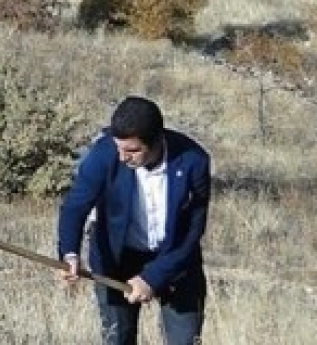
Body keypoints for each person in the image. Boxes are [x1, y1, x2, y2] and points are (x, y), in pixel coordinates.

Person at [56, 96, 211, 345]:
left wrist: (153, 277)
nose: (122, 157)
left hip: (176, 260)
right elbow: (75, 206)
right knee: (117, 339)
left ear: (157, 140)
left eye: (132, 151)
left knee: (185, 340)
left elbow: (193, 231)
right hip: (117, 261)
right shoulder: (103, 154)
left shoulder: (193, 160)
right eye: (119, 147)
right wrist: (69, 254)